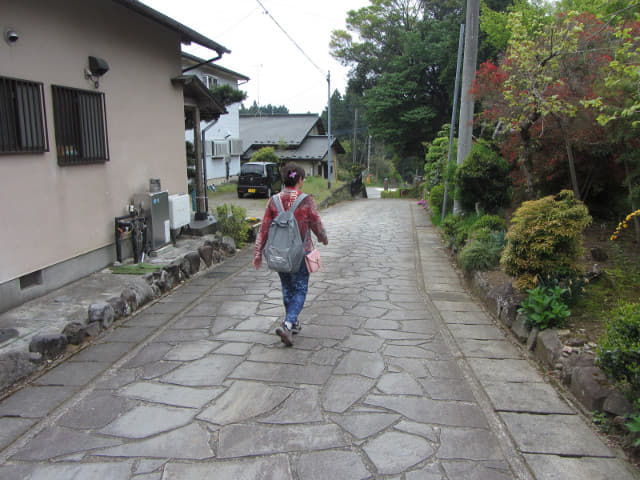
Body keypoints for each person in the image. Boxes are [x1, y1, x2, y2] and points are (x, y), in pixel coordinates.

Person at [253, 162, 328, 346]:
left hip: (279, 253)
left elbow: (264, 228)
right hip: (301, 253)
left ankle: (292, 324)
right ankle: (287, 324)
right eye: (302, 179)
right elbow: (316, 223)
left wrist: (258, 252)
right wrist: (323, 237)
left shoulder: (273, 201)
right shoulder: (306, 200)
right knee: (300, 288)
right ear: (300, 180)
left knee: (287, 288)